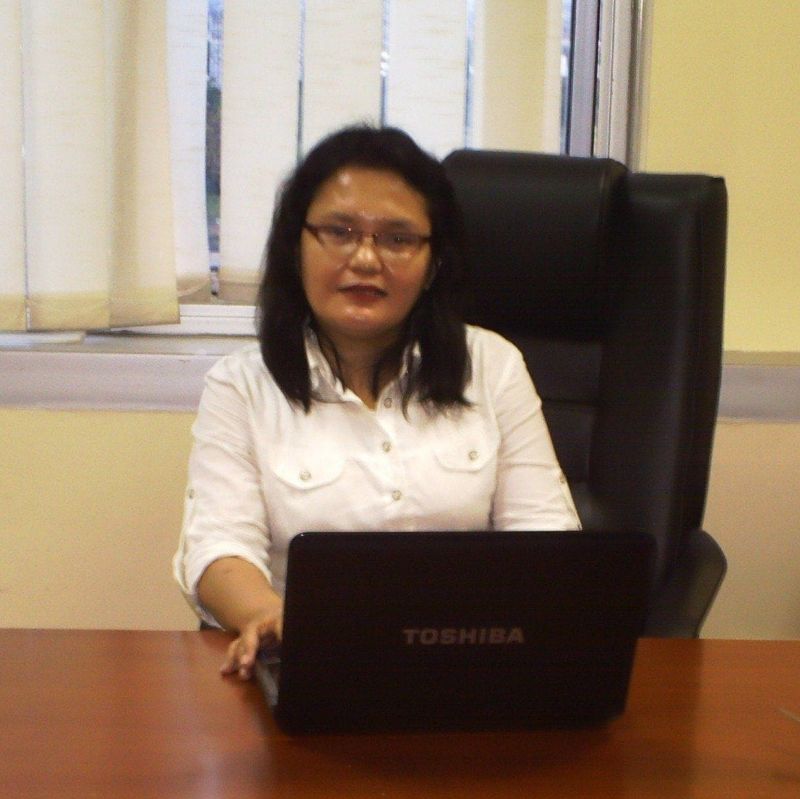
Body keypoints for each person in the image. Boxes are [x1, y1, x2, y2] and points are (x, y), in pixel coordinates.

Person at [173, 124, 581, 680]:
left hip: (470, 662)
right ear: (297, 248)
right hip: (311, 661)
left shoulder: (492, 365)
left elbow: (544, 534)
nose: (366, 259)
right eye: (339, 231)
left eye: (397, 239)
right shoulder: (242, 385)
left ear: (434, 263)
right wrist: (267, 616)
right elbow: (220, 545)